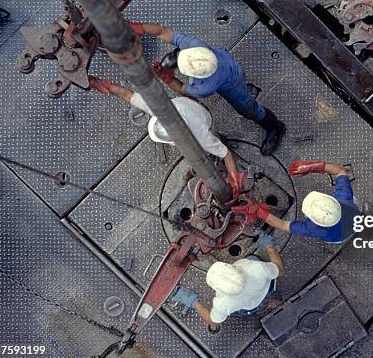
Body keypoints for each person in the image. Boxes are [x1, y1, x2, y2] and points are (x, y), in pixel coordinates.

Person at [127, 21, 286, 156]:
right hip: (228, 62)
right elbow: (163, 31)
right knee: (237, 73)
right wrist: (139, 27)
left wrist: (166, 77)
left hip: (232, 85)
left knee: (248, 109)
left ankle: (275, 127)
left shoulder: (204, 87)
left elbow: (182, 88)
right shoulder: (196, 47)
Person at [87, 76, 246, 197]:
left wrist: (234, 179)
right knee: (192, 104)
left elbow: (226, 154)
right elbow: (128, 95)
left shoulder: (201, 137)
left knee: (211, 146)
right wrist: (102, 84)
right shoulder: (161, 109)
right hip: (189, 106)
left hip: (205, 120)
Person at [170, 233, 285, 326]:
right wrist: (270, 247)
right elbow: (280, 270)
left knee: (241, 312)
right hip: (266, 289)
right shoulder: (257, 269)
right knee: (252, 258)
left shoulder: (223, 304)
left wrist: (193, 301)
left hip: (249, 308)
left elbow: (213, 321)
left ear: (217, 289)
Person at [232, 161, 359, 243]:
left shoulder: (312, 228)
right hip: (351, 219)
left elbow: (283, 225)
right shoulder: (344, 199)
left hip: (336, 238)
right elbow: (341, 171)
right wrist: (315, 166)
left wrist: (258, 210)